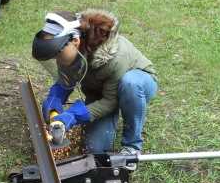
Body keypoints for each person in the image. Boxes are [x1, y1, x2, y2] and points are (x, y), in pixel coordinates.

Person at [31, 10, 157, 155]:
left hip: (139, 82)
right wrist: (55, 97)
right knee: (95, 149)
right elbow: (66, 81)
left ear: (75, 41)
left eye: (57, 54)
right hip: (100, 91)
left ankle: (132, 146)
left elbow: (110, 101)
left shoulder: (114, 57)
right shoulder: (67, 50)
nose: (56, 60)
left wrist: (76, 114)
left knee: (130, 84)